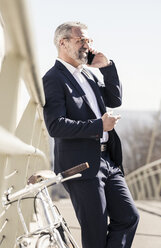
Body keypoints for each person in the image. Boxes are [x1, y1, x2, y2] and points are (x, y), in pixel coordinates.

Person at [42, 21, 139, 248]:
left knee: (129, 217)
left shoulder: (88, 75)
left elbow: (114, 99)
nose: (87, 45)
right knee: (95, 232)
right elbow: (55, 125)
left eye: (89, 40)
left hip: (108, 161)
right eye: (81, 40)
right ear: (62, 43)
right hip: (80, 167)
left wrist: (107, 66)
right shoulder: (53, 78)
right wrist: (98, 126)